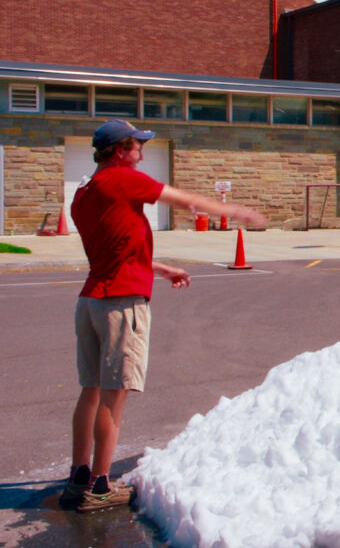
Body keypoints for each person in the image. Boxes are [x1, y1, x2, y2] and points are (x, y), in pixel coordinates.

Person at [59, 119, 267, 512]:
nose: (142, 153)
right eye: (138, 146)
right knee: (113, 396)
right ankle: (101, 486)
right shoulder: (122, 179)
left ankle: (79, 474)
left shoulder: (85, 193)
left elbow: (115, 248)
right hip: (122, 304)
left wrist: (161, 268)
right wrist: (234, 211)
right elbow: (181, 198)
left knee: (89, 391)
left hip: (90, 301)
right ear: (120, 150)